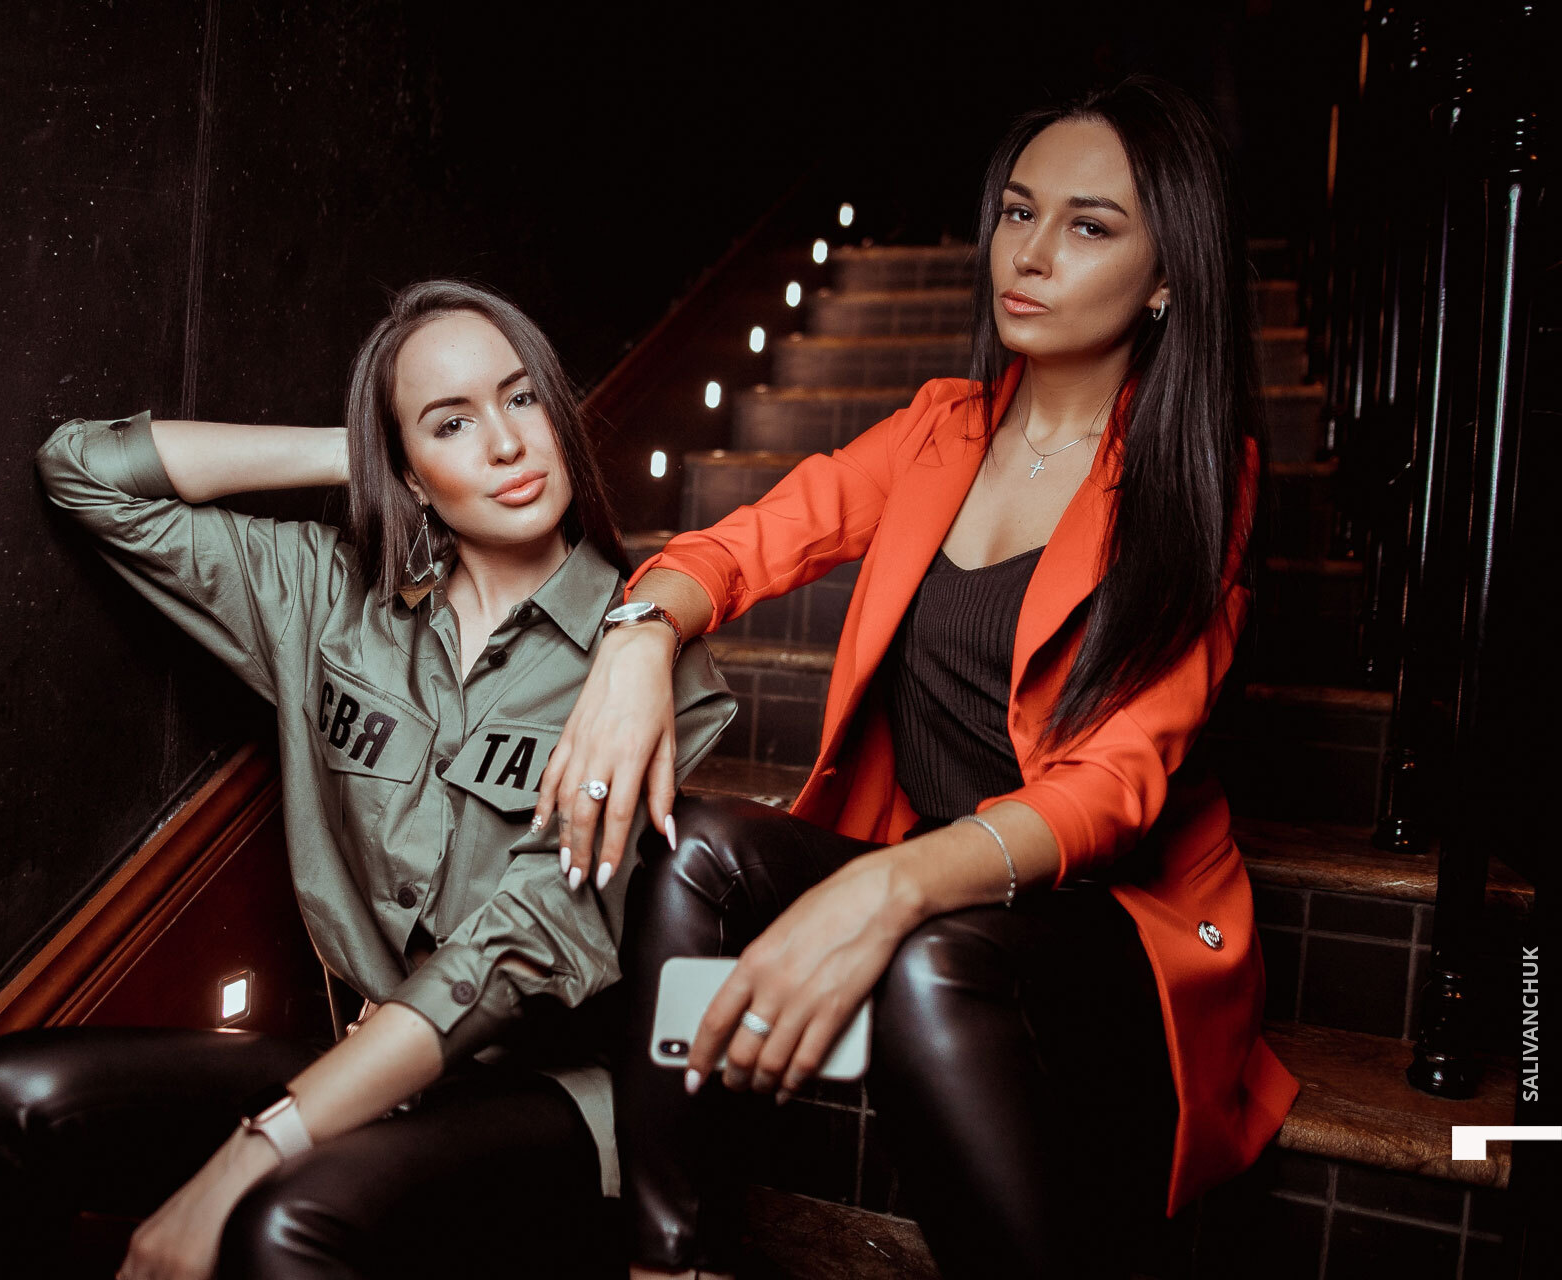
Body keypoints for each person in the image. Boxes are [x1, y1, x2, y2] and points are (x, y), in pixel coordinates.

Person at [530, 77, 1302, 1279]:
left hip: (1104, 922)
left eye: (1090, 226)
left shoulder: (1202, 475)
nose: (1030, 253)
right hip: (936, 875)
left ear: (1166, 278)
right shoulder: (942, 427)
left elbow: (1114, 789)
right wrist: (637, 638)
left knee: (924, 961)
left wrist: (892, 888)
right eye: (1019, 211)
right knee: (696, 849)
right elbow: (737, 546)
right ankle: (669, 1259)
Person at [0, 279, 736, 1280]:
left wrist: (255, 1148)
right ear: (407, 467)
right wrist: (359, 456)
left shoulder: (645, 666)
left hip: (551, 1101)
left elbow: (523, 947)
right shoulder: (330, 598)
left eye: (522, 398)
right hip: (357, 1073)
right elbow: (85, 472)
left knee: (281, 1218)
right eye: (451, 422)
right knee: (9, 1092)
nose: (506, 444)